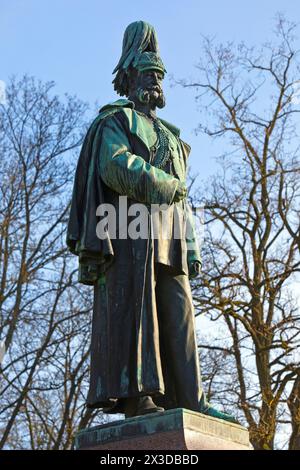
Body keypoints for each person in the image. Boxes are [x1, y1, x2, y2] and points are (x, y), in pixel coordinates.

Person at [67, 21, 237, 423]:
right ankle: (140, 394)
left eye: (159, 76)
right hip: (129, 231)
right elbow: (115, 166)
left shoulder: (173, 137)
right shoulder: (116, 122)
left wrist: (191, 247)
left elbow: (185, 200)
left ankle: (192, 399)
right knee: (137, 313)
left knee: (180, 318)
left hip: (170, 237)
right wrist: (164, 183)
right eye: (148, 74)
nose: (156, 82)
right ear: (130, 78)